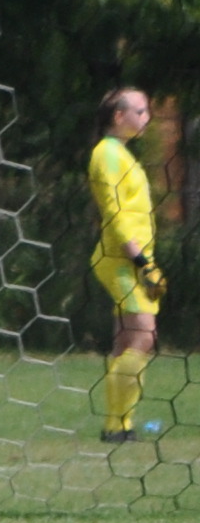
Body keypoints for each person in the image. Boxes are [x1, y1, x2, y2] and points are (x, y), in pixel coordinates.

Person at [89, 88, 165, 443]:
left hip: (134, 259)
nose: (147, 116)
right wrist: (141, 260)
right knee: (144, 335)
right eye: (140, 110)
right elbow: (115, 212)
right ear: (119, 117)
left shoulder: (122, 154)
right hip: (121, 260)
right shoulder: (106, 154)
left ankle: (118, 426)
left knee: (126, 341)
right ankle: (117, 424)